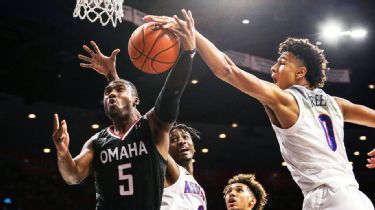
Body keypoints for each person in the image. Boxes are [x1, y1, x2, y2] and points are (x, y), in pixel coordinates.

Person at [144, 10, 375, 209]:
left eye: (282, 62)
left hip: (327, 199)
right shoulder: (337, 104)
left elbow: (228, 70)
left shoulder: (286, 100)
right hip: (356, 197)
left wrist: (193, 35)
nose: (274, 68)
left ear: (301, 73)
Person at [52, 18, 196, 210]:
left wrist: (188, 53)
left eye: (119, 90)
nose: (111, 93)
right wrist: (63, 152)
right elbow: (72, 176)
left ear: (136, 100)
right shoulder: (97, 141)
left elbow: (170, 93)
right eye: (107, 93)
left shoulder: (152, 128)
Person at [162, 123, 206, 210]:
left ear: (194, 148)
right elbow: (153, 141)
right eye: (174, 139)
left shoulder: (200, 188)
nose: (182, 141)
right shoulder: (167, 173)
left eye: (186, 137)